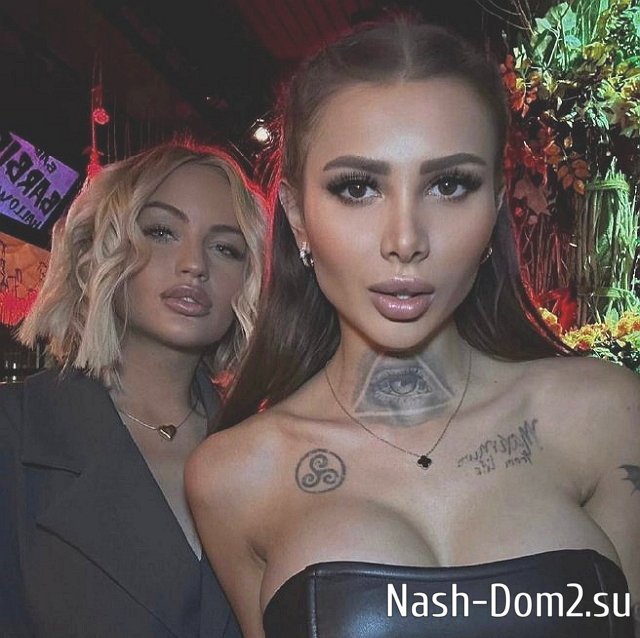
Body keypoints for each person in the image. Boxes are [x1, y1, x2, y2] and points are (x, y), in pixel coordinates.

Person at [185, 20, 639, 638]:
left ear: (496, 205)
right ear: (296, 216)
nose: (405, 240)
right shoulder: (235, 475)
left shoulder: (605, 415)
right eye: (357, 188)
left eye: (450, 186)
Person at [0, 141, 265, 637]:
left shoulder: (266, 448)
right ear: (97, 252)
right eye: (162, 232)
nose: (194, 264)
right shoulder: (15, 432)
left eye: (225, 248)